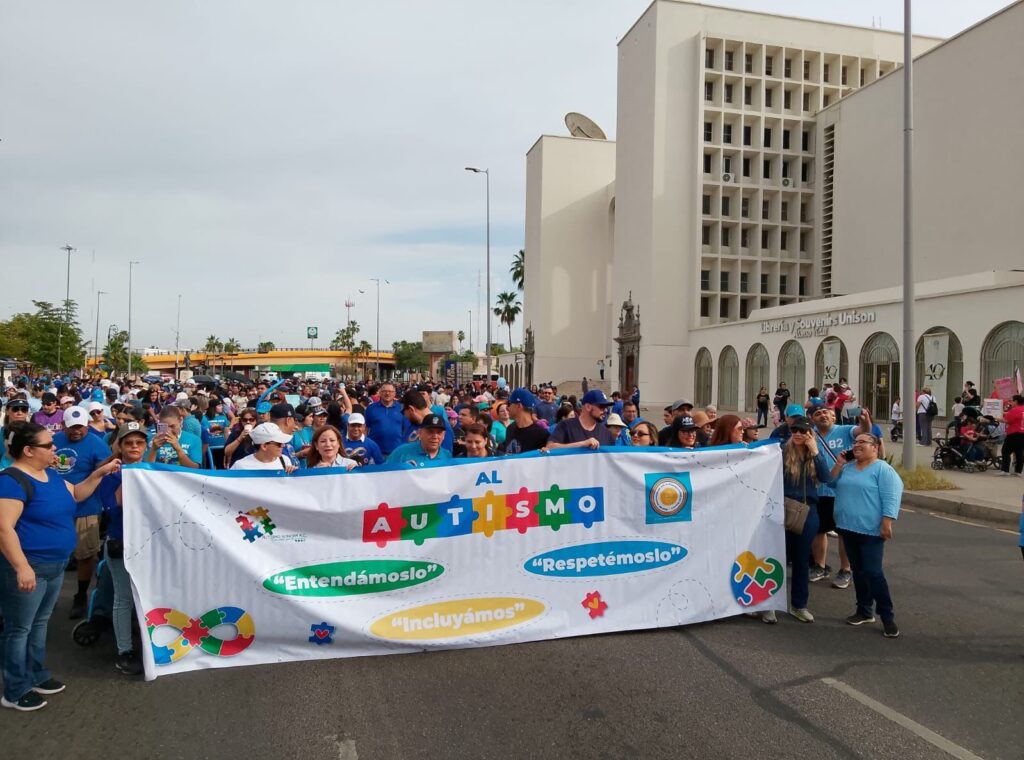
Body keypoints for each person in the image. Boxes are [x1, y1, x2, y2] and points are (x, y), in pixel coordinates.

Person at [0, 421, 120, 711]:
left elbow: (77, 493)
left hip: (54, 564)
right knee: (19, 628)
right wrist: (21, 566)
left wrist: (99, 473)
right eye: (48, 445)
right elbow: (4, 528)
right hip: (31, 565)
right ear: (28, 450)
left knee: (39, 623)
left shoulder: (50, 474)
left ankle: (36, 674)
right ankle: (15, 689)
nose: (55, 448)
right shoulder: (11, 481)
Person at [829, 432, 903, 638]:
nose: (857, 445)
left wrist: (887, 521)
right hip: (847, 527)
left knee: (873, 572)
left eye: (863, 442)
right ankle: (864, 610)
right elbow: (830, 482)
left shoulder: (883, 469)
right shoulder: (848, 468)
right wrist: (839, 463)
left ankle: (887, 616)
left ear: (875, 447)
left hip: (870, 530)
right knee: (859, 572)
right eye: (855, 442)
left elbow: (891, 496)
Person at [96, 421, 149, 675]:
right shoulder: (110, 475)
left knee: (147, 594)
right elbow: (112, 509)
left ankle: (148, 640)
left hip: (149, 543)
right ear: (120, 446)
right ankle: (124, 651)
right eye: (129, 443)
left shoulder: (153, 472)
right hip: (121, 542)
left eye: (139, 442)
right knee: (124, 598)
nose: (134, 447)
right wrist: (127, 476)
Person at [51, 406, 113, 619]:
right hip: (55, 507)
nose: (76, 431)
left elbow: (105, 471)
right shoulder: (54, 441)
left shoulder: (97, 443)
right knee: (53, 554)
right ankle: (50, 596)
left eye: (80, 427)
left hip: (86, 507)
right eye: (72, 427)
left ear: (87, 425)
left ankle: (80, 595)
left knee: (85, 554)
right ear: (63, 426)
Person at [808, 405, 873, 587]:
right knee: (819, 530)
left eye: (825, 412)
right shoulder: (810, 435)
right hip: (819, 491)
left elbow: (863, 431)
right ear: (812, 419)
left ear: (833, 416)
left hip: (842, 490)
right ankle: (820, 566)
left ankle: (846, 569)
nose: (822, 416)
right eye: (817, 414)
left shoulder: (845, 430)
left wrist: (865, 420)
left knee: (843, 531)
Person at [776, 416, 831, 624]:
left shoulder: (814, 453)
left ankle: (799, 605)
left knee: (801, 560)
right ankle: (770, 603)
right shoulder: (783, 451)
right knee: (777, 557)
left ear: (810, 434)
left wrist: (815, 451)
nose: (798, 434)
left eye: (802, 431)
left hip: (808, 511)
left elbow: (826, 478)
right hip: (784, 507)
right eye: (795, 430)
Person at [547, 390, 617, 450]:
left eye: (606, 407)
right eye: (602, 407)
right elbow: (550, 447)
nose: (605, 410)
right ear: (588, 407)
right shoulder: (566, 426)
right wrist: (582, 444)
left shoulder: (606, 433)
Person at [387, 414, 452, 466]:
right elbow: (384, 473)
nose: (435, 436)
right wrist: (401, 468)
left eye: (439, 433)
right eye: (430, 432)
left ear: (444, 435)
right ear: (420, 433)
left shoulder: (447, 456)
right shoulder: (401, 452)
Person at [500, 388, 549, 455]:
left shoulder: (542, 435)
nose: (507, 408)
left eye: (509, 404)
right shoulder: (510, 428)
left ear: (519, 406)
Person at [230, 423, 297, 471]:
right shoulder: (240, 466)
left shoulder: (285, 461)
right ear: (264, 446)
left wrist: (293, 475)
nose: (283, 445)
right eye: (279, 443)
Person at [363, 382, 404, 458]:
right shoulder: (371, 408)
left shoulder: (401, 408)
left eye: (390, 391)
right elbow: (365, 428)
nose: (387, 393)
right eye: (384, 391)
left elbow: (405, 429)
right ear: (380, 393)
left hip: (397, 452)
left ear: (395, 393)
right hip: (375, 452)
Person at [997, 394, 1024, 476]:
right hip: (1022, 434)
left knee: (1005, 451)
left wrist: (995, 418)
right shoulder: (1022, 409)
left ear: (1016, 401)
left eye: (1011, 401)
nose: (1010, 402)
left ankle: (1005, 470)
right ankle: (1018, 471)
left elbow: (1005, 420)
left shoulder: (1015, 410)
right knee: (1019, 452)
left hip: (1014, 433)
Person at [202, 399, 231, 469]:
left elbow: (226, 432)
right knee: (209, 468)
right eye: (219, 405)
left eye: (221, 405)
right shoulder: (204, 418)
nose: (221, 407)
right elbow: (205, 432)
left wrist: (227, 445)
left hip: (221, 447)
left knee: (221, 468)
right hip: (209, 448)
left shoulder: (223, 417)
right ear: (213, 407)